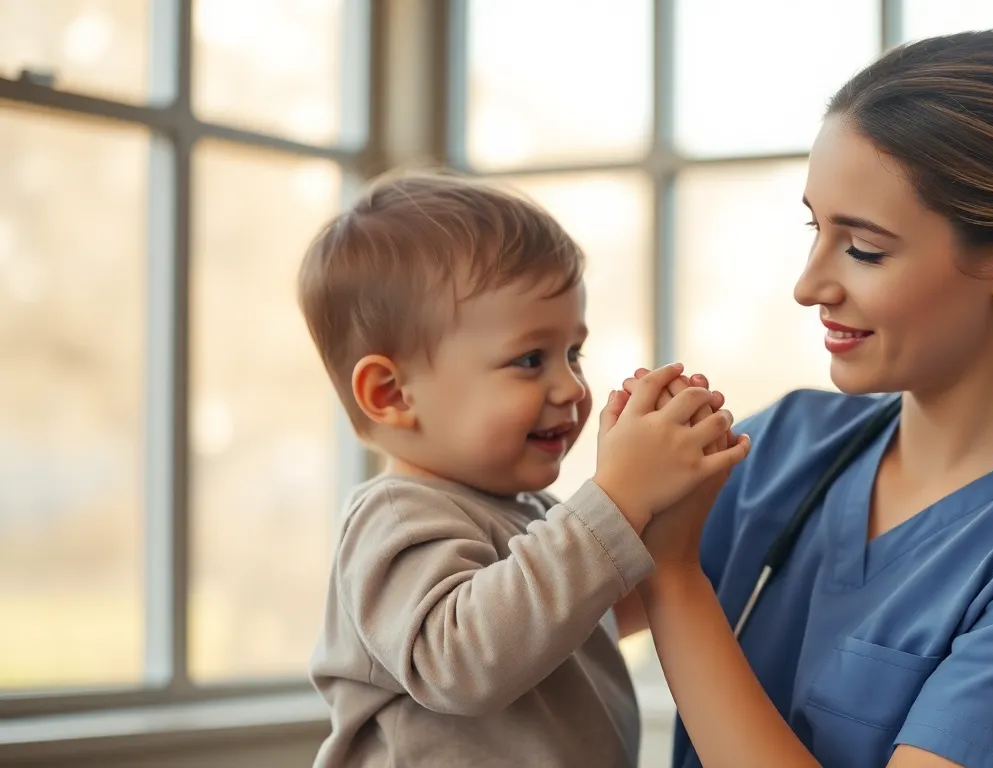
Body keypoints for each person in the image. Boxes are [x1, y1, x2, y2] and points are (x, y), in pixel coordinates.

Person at [618, 29, 993, 768]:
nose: (809, 286)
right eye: (816, 228)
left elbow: (659, 580)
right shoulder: (779, 448)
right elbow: (501, 622)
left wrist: (675, 579)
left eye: (864, 248)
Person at [296, 171, 749, 767]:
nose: (570, 385)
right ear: (392, 394)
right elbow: (460, 661)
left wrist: (671, 514)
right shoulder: (396, 514)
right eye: (530, 359)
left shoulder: (530, 515)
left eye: (573, 353)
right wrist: (614, 501)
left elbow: (572, 618)